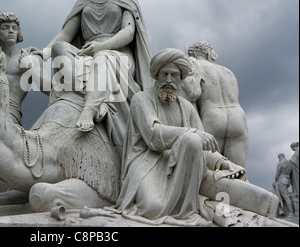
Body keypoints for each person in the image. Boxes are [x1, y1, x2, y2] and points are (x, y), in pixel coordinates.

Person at [113, 48, 278, 226]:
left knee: (193, 141)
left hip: (180, 166)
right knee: (152, 208)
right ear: (156, 76)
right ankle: (194, 205)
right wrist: (190, 133)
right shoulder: (141, 99)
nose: (168, 80)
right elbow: (154, 135)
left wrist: (222, 162)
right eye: (164, 74)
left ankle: (189, 205)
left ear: (181, 78)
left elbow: (203, 145)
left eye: (174, 75)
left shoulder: (187, 107)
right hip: (148, 164)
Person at [41, 0, 152, 145]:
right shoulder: (84, 2)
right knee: (60, 50)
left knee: (102, 58)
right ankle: (96, 97)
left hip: (117, 55)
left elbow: (128, 33)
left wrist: (102, 47)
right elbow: (65, 34)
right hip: (86, 54)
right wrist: (43, 53)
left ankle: (89, 109)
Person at [187, 40, 249, 167]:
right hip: (238, 117)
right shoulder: (227, 71)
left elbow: (192, 94)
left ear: (192, 53)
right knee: (239, 174)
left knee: (211, 173)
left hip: (213, 116)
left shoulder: (194, 66)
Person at [0, 12, 51, 125]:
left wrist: (30, 67)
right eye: (5, 27)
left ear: (19, 32)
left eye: (15, 28)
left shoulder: (30, 55)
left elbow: (50, 90)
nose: (11, 31)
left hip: (10, 114)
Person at [273, 153, 295, 217]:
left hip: (282, 180)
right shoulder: (289, 163)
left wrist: (275, 181)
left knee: (286, 197)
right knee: (284, 196)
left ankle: (291, 213)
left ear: (279, 157)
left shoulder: (280, 163)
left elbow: (277, 174)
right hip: (288, 180)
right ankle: (283, 210)